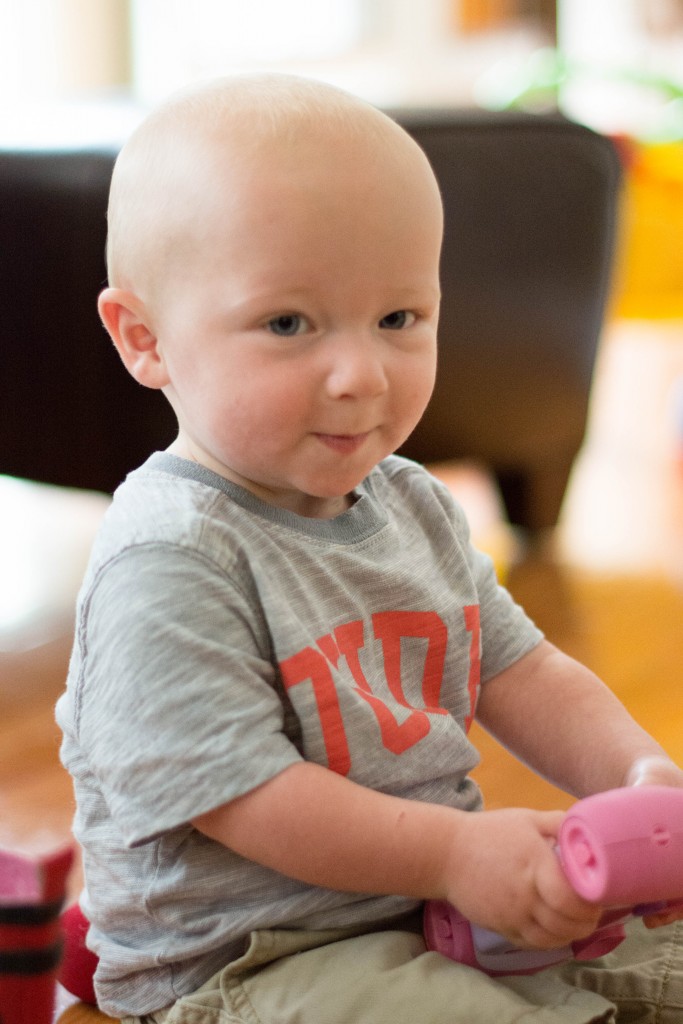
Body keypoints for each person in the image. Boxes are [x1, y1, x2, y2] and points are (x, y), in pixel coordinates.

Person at [56, 73, 683, 1024]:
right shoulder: (171, 559)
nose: (360, 374)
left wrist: (637, 774)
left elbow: (519, 669)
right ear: (146, 339)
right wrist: (454, 854)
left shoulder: (409, 503)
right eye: (287, 324)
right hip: (250, 960)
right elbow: (244, 796)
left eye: (398, 319)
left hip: (431, 912)